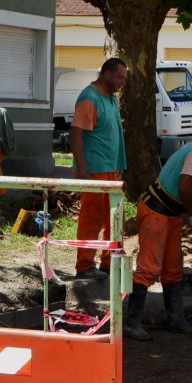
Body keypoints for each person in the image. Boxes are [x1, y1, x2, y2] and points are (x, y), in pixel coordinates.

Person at [124, 122, 192, 341]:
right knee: (149, 267)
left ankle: (175, 319)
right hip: (156, 211)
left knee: (173, 267)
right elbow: (184, 187)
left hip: (171, 214)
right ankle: (131, 323)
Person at [69, 58, 128, 280]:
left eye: (124, 77)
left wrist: (119, 166)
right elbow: (76, 132)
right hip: (94, 169)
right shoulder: (90, 98)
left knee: (114, 219)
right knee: (92, 218)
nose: (123, 82)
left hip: (110, 169)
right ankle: (84, 266)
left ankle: (108, 262)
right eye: (119, 77)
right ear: (106, 74)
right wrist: (82, 168)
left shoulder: (110, 98)